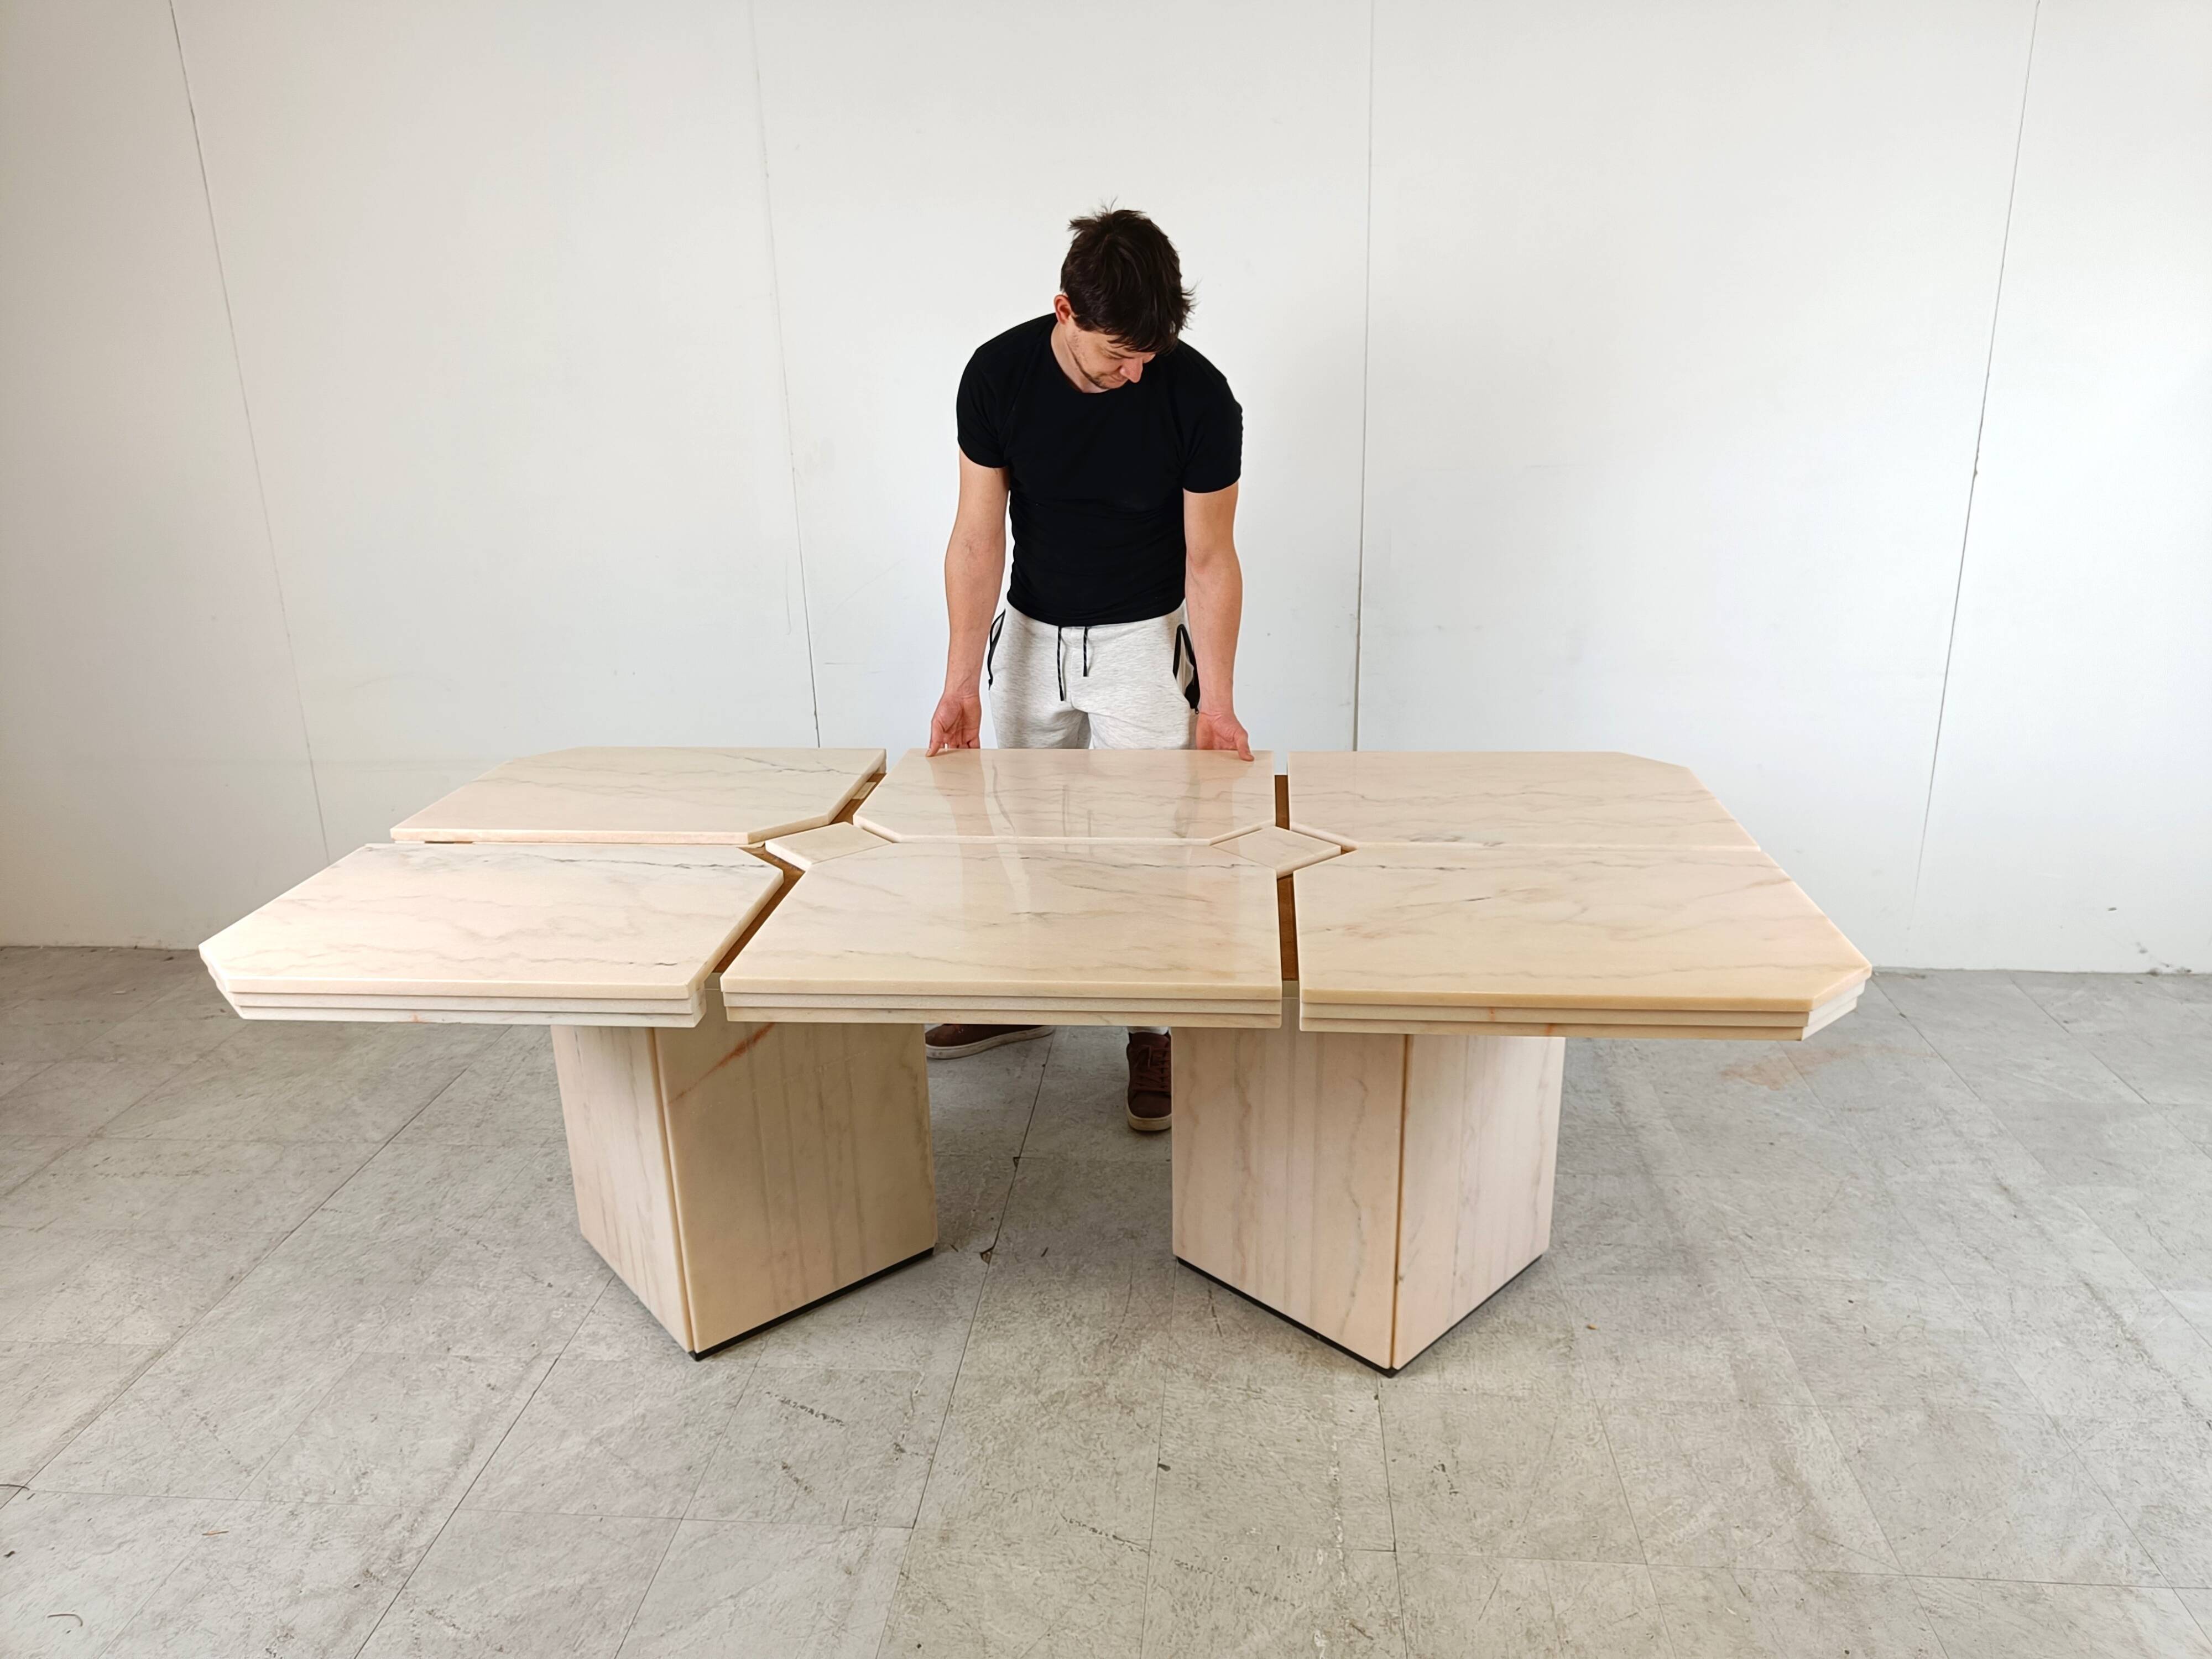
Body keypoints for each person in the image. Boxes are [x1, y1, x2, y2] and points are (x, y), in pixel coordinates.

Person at [921, 207, 1251, 1133]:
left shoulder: (1199, 396)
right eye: (1117, 353)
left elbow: (1211, 559)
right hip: (1029, 632)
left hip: (1145, 640)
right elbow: (977, 537)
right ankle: (1021, 988)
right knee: (1018, 827)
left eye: (1150, 353)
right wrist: (958, 686)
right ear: (1064, 309)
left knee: (1159, 842)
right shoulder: (998, 375)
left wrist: (1216, 703)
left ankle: (1156, 1027)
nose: (1134, 370)